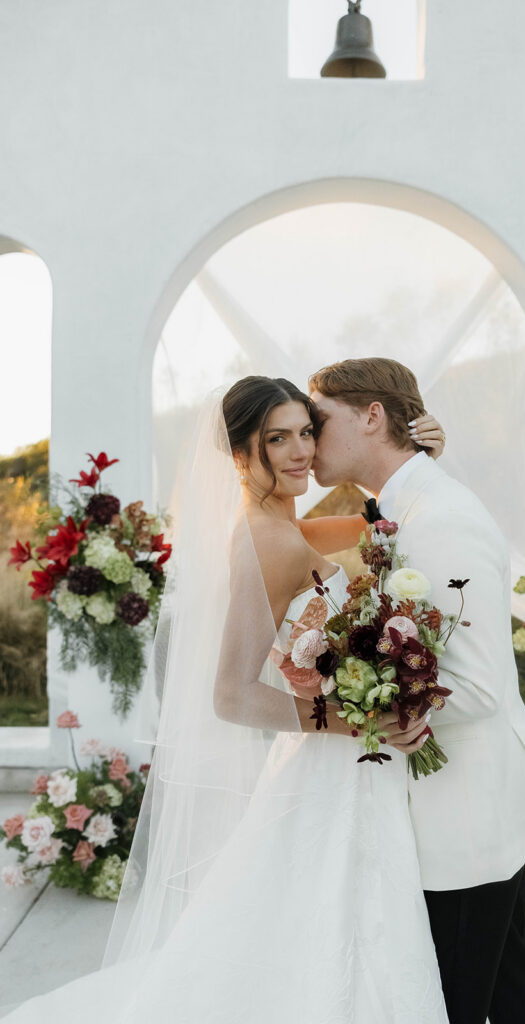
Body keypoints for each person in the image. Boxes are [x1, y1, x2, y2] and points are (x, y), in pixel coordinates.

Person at [0, 377, 451, 1024]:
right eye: (278, 439)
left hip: (333, 762)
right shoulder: (266, 539)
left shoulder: (280, 521)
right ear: (239, 454)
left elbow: (374, 528)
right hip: (335, 754)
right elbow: (231, 696)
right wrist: (356, 722)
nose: (301, 451)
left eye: (306, 432)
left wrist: (419, 465)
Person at [308, 357, 525, 1024]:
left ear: (371, 416)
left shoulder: (440, 516)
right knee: (507, 985)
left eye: (318, 420)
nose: (307, 435)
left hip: (463, 809)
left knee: (457, 1000)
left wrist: (361, 702)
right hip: (458, 800)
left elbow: (478, 685)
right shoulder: (400, 508)